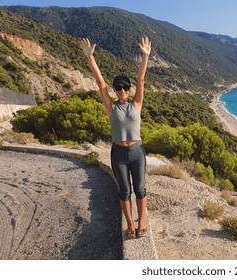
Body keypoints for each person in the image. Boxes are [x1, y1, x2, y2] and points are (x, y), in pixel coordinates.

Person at [80, 36, 151, 239]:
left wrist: (145, 56)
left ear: (129, 90)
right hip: (119, 153)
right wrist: (90, 58)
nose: (121, 91)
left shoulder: (136, 104)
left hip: (137, 151)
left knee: (140, 188)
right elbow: (100, 82)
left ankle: (142, 222)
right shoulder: (111, 107)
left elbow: (141, 80)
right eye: (118, 88)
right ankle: (130, 224)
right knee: (124, 191)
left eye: (124, 88)